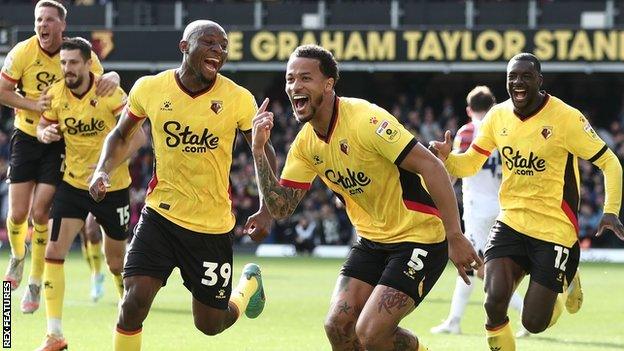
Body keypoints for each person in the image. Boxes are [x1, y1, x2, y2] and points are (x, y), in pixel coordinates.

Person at [252, 44, 481, 351]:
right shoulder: (305, 144)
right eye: (290, 79)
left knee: (371, 333)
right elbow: (281, 207)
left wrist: (454, 235)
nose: (295, 86)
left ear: (329, 84)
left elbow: (431, 165)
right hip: (372, 242)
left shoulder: (366, 120)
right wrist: (258, 151)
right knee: (338, 327)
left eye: (305, 78)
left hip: (420, 237)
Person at [88, 20, 276, 351]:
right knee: (133, 303)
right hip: (161, 216)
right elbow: (120, 134)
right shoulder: (150, 88)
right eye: (210, 43)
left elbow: (263, 151)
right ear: (184, 46)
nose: (219, 51)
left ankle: (246, 286)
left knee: (210, 324)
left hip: (211, 228)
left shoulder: (238, 98)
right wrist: (102, 170)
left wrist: (266, 208)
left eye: (223, 46)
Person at [430, 53, 624, 351]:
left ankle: (566, 278)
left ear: (539, 80)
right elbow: (469, 165)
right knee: (494, 302)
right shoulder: (497, 116)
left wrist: (610, 211)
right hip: (510, 221)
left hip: (554, 228)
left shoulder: (566, 118)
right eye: (512, 77)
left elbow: (611, 163)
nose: (518, 83)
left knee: (534, 323)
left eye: (525, 76)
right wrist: (448, 159)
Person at [0, 0, 120, 314]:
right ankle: (17, 256)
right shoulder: (22, 53)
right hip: (27, 136)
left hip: (59, 142)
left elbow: (101, 86)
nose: (43, 25)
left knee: (40, 214)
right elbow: (2, 91)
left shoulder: (79, 55)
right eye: (39, 19)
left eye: (50, 19)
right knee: (16, 214)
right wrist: (33, 107)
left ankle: (36, 282)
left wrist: (116, 77)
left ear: (61, 25)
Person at [34, 37, 140, 351]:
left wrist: (106, 167)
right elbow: (42, 126)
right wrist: (45, 133)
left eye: (73, 62)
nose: (67, 68)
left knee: (116, 262)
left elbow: (138, 138)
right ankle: (55, 335)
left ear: (87, 63)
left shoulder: (109, 93)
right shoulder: (55, 94)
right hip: (74, 185)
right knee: (54, 251)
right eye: (63, 63)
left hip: (113, 187)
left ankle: (126, 307)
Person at [430, 86, 528, 337]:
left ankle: (526, 310)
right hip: (502, 204)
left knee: (476, 265)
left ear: (468, 109)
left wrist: (440, 193)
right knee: (473, 267)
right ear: (493, 105)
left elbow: (455, 168)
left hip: (477, 208)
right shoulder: (503, 128)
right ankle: (454, 320)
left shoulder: (467, 131)